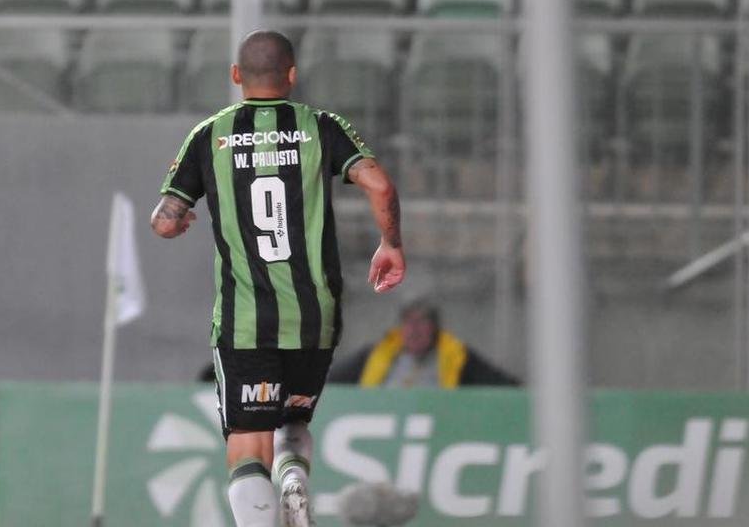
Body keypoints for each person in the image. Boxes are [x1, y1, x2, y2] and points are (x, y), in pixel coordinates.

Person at [151, 30, 406, 527]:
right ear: (292, 75)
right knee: (294, 419)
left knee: (247, 444)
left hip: (245, 320)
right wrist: (391, 243)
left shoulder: (210, 134)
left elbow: (164, 220)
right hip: (313, 316)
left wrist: (177, 222)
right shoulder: (321, 127)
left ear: (235, 76)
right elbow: (380, 185)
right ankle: (293, 477)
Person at [329, 294, 519, 388]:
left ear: (434, 327)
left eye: (422, 321)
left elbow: (504, 385)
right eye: (409, 322)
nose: (415, 330)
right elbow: (329, 380)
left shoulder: (457, 357)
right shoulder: (374, 355)